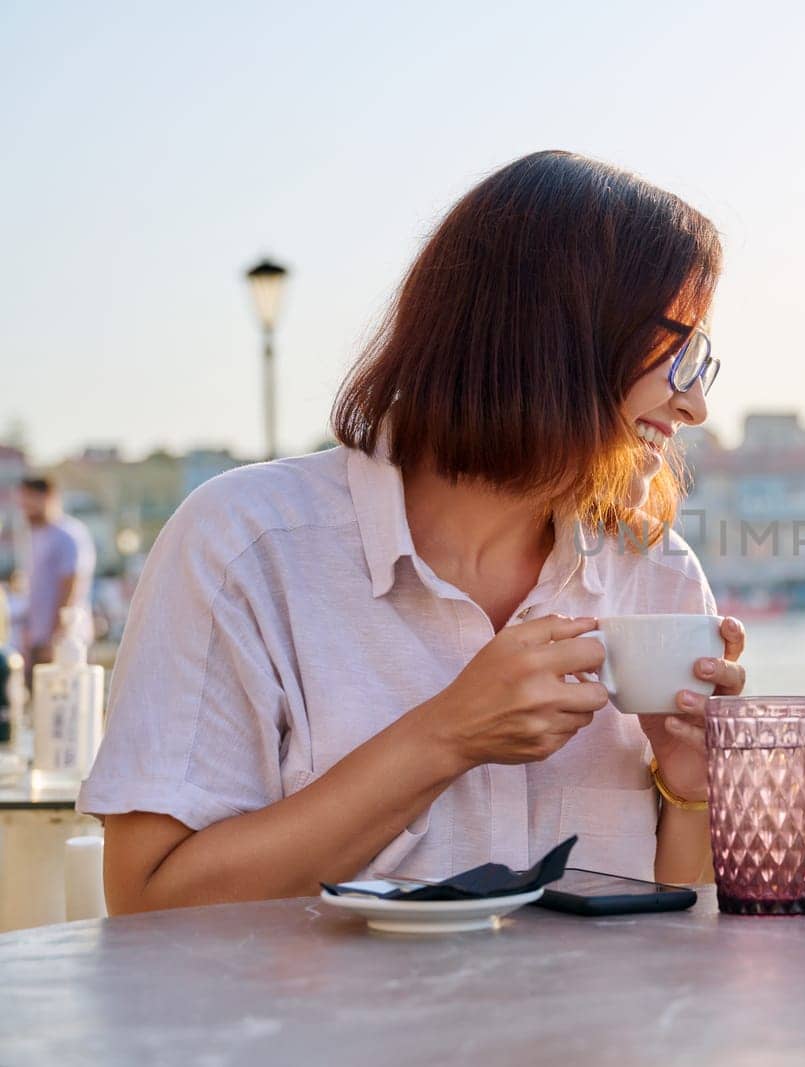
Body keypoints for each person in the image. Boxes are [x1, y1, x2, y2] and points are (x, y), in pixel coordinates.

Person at [81, 150, 747, 914]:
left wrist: (690, 790)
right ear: (553, 336)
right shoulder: (242, 550)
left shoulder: (657, 573)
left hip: (596, 1036)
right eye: (678, 351)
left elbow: (677, 921)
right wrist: (445, 737)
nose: (695, 405)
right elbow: (144, 904)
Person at [19, 476, 96, 676]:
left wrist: (56, 637)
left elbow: (72, 586)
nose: (25, 508)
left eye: (30, 500)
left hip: (64, 644)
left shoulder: (68, 534)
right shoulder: (36, 535)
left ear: (49, 498)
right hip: (39, 639)